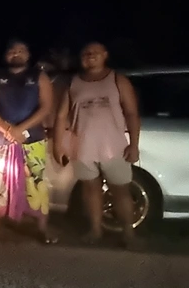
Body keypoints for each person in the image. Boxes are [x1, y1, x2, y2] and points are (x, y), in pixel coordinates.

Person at [54, 42, 141, 243]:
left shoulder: (118, 80)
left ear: (105, 55)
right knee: (90, 190)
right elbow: (60, 116)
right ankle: (95, 231)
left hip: (115, 148)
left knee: (121, 191)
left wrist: (134, 144)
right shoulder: (73, 83)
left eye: (95, 52)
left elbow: (131, 113)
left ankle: (129, 234)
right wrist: (58, 146)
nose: (90, 55)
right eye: (86, 53)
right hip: (83, 148)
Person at [0, 39, 57, 243]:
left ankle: (42, 227)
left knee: (37, 182)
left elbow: (46, 107)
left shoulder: (39, 76)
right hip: (0, 139)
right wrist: (8, 130)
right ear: (5, 55)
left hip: (33, 138)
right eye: (12, 50)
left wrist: (21, 129)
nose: (16, 54)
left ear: (28, 54)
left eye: (21, 50)